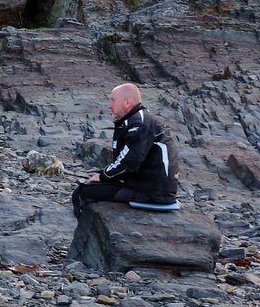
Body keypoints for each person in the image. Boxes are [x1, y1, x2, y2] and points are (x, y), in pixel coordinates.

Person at [73, 83, 180, 215]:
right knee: (94, 188)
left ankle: (92, 233)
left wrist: (102, 176)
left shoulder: (139, 124)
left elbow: (128, 163)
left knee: (81, 193)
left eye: (113, 100)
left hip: (151, 193)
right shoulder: (136, 120)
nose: (110, 106)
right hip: (149, 187)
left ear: (127, 102)